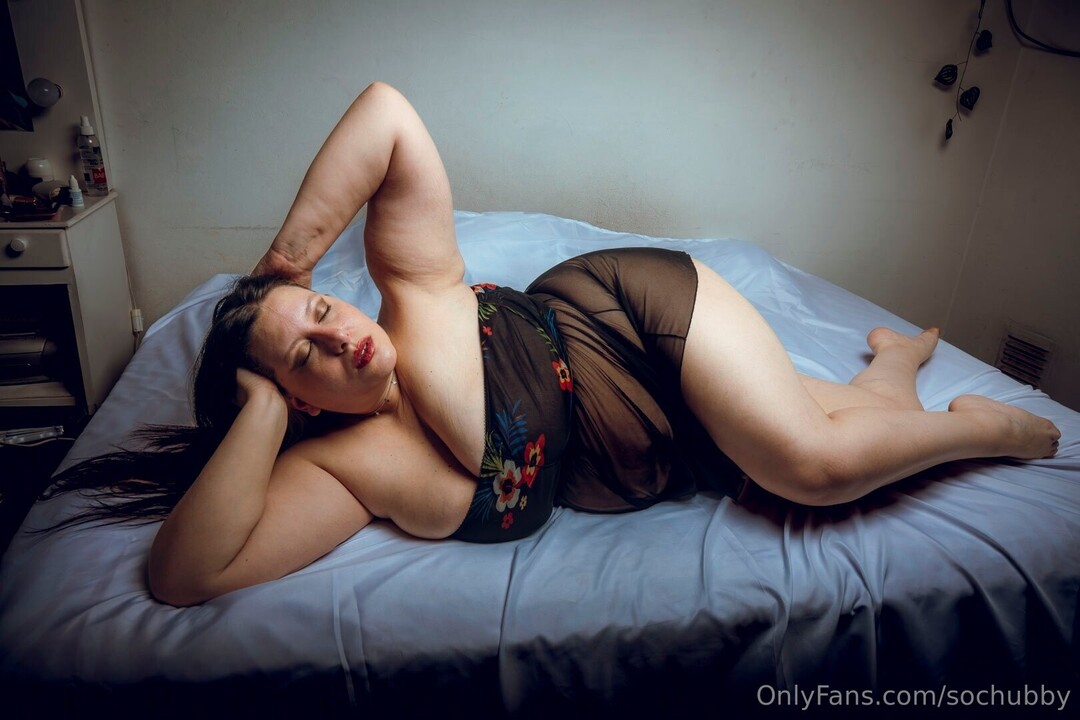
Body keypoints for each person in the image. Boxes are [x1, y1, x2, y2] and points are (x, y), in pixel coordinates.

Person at [47, 82, 1060, 607]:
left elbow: (387, 112)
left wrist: (283, 270)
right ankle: (892, 367)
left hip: (629, 321)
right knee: (840, 429)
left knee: (812, 464)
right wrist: (260, 412)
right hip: (656, 442)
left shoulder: (414, 291)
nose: (339, 337)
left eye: (321, 315)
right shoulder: (347, 472)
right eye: (303, 360)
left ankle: (993, 428)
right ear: (297, 404)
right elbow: (182, 576)